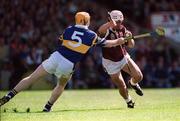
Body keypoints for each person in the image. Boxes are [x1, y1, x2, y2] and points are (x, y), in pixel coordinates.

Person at [0, 12, 128, 112]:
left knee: (31, 77)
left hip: (56, 57)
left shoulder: (69, 29)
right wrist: (120, 41)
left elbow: (63, 39)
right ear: (87, 21)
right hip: (68, 64)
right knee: (60, 85)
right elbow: (109, 44)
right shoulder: (91, 35)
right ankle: (47, 107)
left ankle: (10, 95)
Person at [98, 10, 143, 108]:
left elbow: (131, 45)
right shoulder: (107, 29)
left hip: (123, 57)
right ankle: (128, 101)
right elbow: (100, 30)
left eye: (120, 21)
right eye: (117, 22)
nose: (119, 24)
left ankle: (133, 83)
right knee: (121, 85)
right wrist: (110, 23)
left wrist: (130, 38)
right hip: (110, 62)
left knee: (139, 76)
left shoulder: (123, 29)